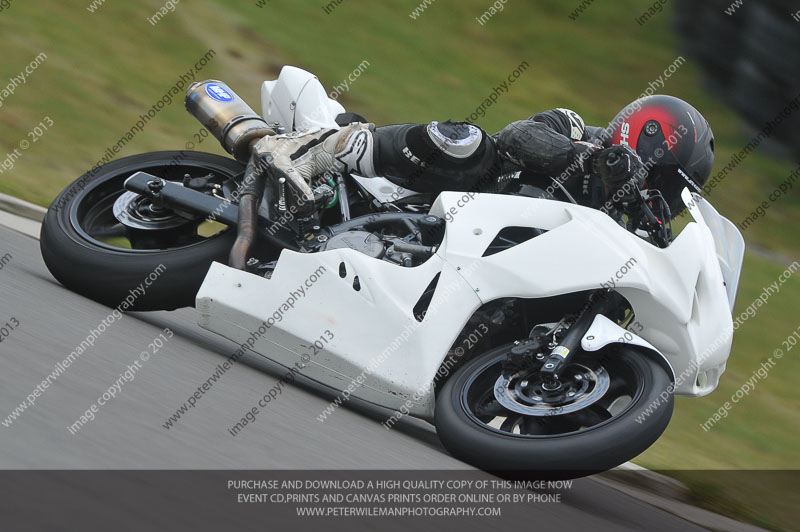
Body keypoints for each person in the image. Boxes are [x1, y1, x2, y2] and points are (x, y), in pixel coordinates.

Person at [253, 94, 715, 219]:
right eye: (670, 183)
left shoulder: (636, 223)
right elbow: (519, 135)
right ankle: (319, 149)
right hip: (442, 199)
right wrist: (593, 161)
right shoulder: (579, 131)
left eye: (679, 193)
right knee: (474, 144)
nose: (668, 198)